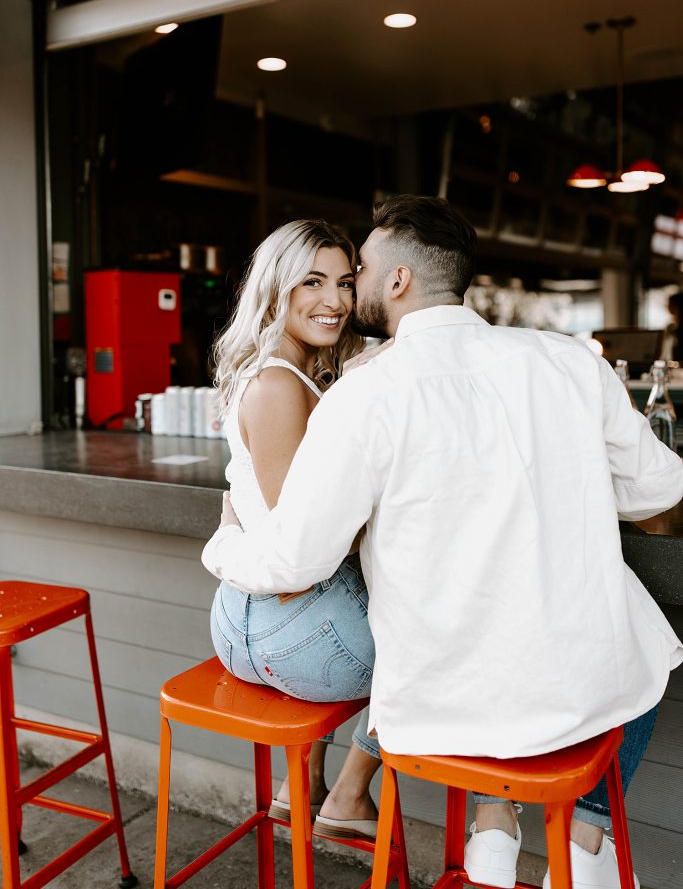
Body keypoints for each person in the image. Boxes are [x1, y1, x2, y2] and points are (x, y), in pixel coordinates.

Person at [203, 195, 683, 888]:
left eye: (356, 271)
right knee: (639, 644)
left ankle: (493, 829)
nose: (347, 290)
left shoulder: (362, 396)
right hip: (575, 691)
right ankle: (584, 841)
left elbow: (295, 559)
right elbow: (656, 488)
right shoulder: (568, 362)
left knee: (503, 642)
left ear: (396, 281)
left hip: (441, 709)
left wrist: (220, 547)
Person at [209, 218, 381, 839]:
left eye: (343, 282)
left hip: (245, 620)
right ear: (275, 288)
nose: (333, 301)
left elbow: (249, 503)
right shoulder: (280, 384)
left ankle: (298, 779)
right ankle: (349, 792)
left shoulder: (283, 372)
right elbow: (300, 542)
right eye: (312, 281)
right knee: (438, 638)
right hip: (291, 633)